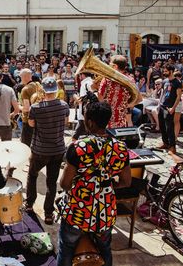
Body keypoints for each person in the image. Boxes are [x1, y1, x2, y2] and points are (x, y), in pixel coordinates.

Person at [57, 102, 131, 266]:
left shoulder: (79, 147)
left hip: (77, 212)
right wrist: (107, 184)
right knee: (105, 249)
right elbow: (126, 181)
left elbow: (65, 184)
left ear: (89, 122)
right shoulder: (120, 147)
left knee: (67, 248)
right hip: (105, 212)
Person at [24, 77, 69, 225]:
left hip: (40, 150)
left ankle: (29, 204)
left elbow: (31, 124)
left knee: (32, 175)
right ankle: (48, 213)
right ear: (56, 90)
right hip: (57, 149)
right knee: (52, 181)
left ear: (43, 90)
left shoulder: (35, 108)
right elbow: (66, 123)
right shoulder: (64, 105)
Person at [98, 55, 141, 128]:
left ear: (115, 66)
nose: (108, 66)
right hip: (122, 121)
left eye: (110, 64)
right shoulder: (131, 80)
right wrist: (124, 106)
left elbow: (100, 97)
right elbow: (139, 99)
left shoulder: (107, 79)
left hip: (107, 120)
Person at [158, 65, 183, 154]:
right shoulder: (165, 81)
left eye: (166, 71)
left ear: (171, 71)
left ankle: (172, 146)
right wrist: (159, 105)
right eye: (164, 71)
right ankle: (165, 143)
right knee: (162, 126)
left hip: (169, 107)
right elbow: (162, 93)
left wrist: (173, 108)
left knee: (169, 127)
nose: (164, 73)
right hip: (162, 106)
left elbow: (178, 96)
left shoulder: (177, 82)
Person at [19, 69, 44, 147]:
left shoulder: (25, 89)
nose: (20, 79)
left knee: (26, 144)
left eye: (21, 77)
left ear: (24, 77)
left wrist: (18, 106)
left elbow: (26, 108)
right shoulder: (38, 86)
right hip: (39, 118)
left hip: (28, 120)